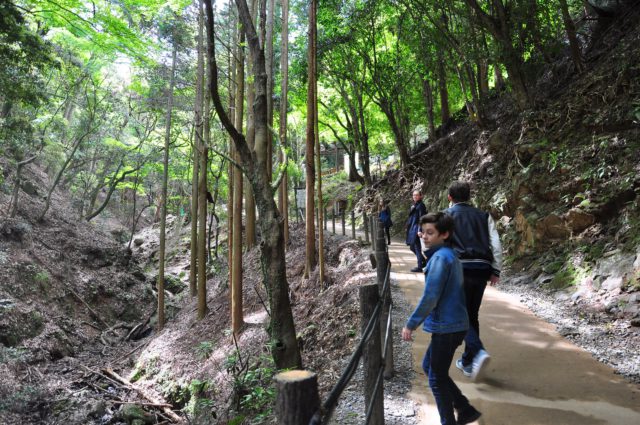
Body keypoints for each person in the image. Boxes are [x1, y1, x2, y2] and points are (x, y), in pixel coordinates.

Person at [402, 212, 482, 425]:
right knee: (431, 367)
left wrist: (411, 324)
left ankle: (449, 420)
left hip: (448, 326)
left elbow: (431, 297)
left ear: (444, 234)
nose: (425, 237)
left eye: (430, 233)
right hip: (454, 324)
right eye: (423, 232)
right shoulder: (448, 255)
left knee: (436, 378)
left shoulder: (440, 258)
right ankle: (464, 408)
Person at [445, 181, 502, 382]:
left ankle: (478, 351)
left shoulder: (445, 216)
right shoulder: (484, 216)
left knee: (458, 314)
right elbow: (495, 244)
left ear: (450, 197)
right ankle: (468, 362)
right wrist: (495, 269)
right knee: (471, 314)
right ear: (469, 196)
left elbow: (437, 244)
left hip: (457, 270)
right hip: (480, 269)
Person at [405, 190, 428, 272]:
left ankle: (419, 267)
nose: (415, 196)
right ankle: (423, 261)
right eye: (414, 195)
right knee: (412, 247)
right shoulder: (414, 205)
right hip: (412, 228)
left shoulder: (421, 205)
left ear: (420, 196)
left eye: (417, 195)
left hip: (416, 228)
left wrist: (420, 230)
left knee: (417, 247)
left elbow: (422, 218)